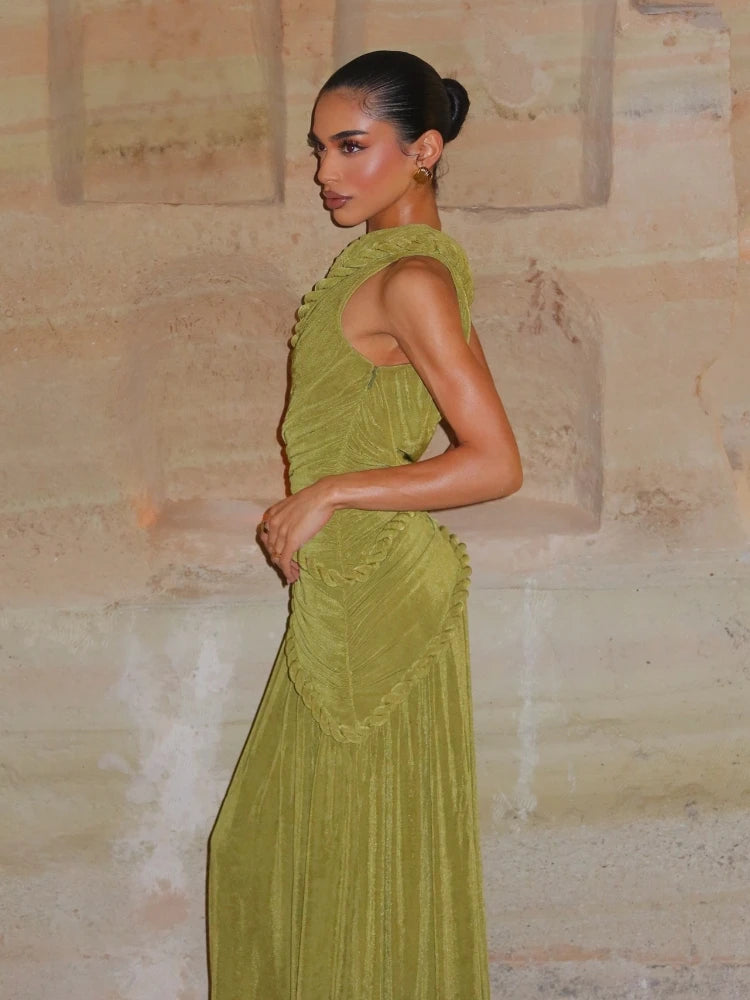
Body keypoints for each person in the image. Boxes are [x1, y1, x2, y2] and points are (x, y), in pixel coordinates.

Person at [207, 49, 523, 1000]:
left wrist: (333, 491)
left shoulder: (413, 279)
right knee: (296, 858)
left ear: (424, 149)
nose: (325, 175)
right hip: (354, 593)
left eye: (352, 147)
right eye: (318, 151)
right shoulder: (394, 269)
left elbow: (496, 462)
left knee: (332, 866)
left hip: (375, 598)